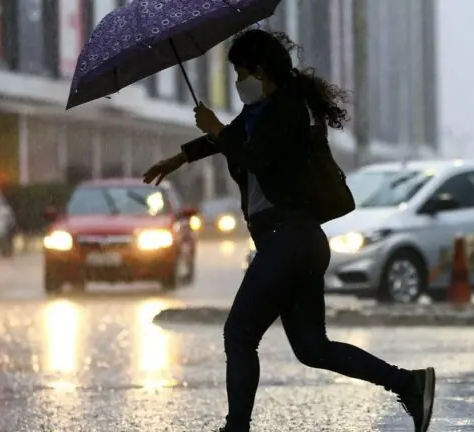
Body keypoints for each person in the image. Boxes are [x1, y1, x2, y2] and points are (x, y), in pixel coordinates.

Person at [143, 29, 436, 432]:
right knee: (313, 348)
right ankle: (409, 384)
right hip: (294, 242)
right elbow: (231, 138)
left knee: (239, 334)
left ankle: (236, 428)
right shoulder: (261, 111)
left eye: (240, 73)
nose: (237, 82)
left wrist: (216, 129)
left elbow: (255, 155)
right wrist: (180, 157)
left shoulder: (288, 109)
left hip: (289, 240)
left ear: (261, 71)